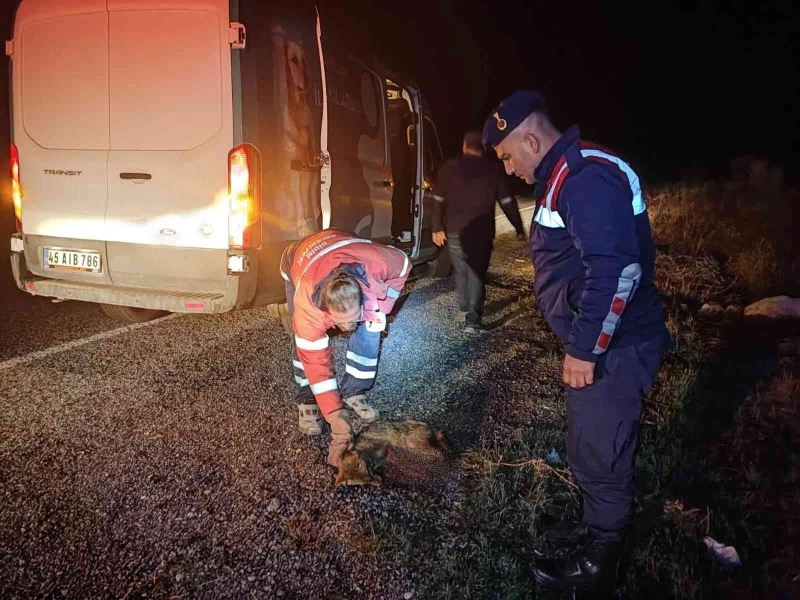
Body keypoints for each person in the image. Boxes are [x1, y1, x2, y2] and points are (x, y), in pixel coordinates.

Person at [481, 91, 670, 592]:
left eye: (506, 156)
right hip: (604, 341)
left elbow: (616, 271)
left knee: (602, 451)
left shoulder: (585, 177)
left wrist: (585, 349)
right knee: (588, 442)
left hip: (615, 345)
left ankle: (600, 565)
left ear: (530, 140)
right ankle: (594, 527)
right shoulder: (561, 175)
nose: (508, 168)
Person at [279, 229, 412, 467]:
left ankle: (355, 390)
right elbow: (317, 364)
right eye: (340, 322)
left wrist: (384, 305)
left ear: (361, 295)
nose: (348, 328)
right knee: (302, 343)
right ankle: (307, 398)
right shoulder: (308, 309)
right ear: (326, 312)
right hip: (298, 257)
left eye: (353, 318)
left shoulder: (379, 264)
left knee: (373, 324)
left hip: (346, 244)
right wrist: (336, 420)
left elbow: (404, 265)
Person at [431, 131, 526, 333]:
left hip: (455, 230)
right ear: (482, 149)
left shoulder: (449, 167)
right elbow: (507, 201)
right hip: (481, 233)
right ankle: (472, 321)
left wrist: (437, 227)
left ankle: (464, 307)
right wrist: (518, 227)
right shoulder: (493, 170)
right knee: (476, 273)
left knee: (461, 270)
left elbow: (438, 200)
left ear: (464, 146)